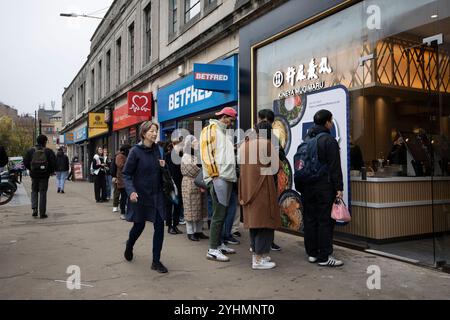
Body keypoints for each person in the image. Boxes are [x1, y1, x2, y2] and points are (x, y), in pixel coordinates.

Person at [295, 109, 344, 267]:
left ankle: (312, 253)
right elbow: (335, 167)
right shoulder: (329, 140)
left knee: (310, 219)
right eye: (331, 120)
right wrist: (339, 188)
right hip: (323, 187)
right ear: (328, 122)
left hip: (307, 186)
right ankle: (324, 256)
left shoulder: (307, 139)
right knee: (325, 221)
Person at [122, 121, 168, 273]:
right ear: (143, 133)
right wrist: (131, 191)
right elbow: (126, 174)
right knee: (139, 226)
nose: (155, 134)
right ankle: (130, 245)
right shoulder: (135, 151)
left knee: (160, 226)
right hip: (140, 195)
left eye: (156, 131)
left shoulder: (159, 150)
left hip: (157, 195)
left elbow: (163, 172)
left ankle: (156, 261)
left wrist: (163, 167)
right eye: (151, 131)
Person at [239, 121, 280, 269]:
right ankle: (258, 259)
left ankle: (258, 253)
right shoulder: (267, 144)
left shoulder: (244, 145)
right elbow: (276, 167)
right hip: (263, 189)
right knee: (265, 223)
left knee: (254, 223)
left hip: (248, 189)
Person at [200, 106, 238, 262]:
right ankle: (213, 249)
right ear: (224, 117)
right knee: (218, 214)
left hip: (225, 177)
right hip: (218, 177)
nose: (232, 123)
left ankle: (219, 244)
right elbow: (207, 152)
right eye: (231, 120)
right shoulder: (211, 129)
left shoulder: (222, 132)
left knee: (222, 214)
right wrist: (214, 174)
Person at [257, 109, 283, 251]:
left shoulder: (269, 138)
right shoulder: (269, 138)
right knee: (266, 211)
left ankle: (262, 243)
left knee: (263, 211)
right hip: (267, 178)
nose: (258, 122)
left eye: (260, 119)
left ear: (265, 120)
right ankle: (264, 243)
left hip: (263, 179)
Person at [181, 135, 208, 241]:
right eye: (195, 142)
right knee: (190, 209)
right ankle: (190, 232)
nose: (197, 144)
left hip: (199, 183)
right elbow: (191, 169)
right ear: (190, 144)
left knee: (200, 209)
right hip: (190, 183)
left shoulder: (197, 155)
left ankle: (199, 231)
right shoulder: (186, 156)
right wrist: (203, 171)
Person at [23, 135, 56, 219]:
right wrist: (50, 171)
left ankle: (34, 209)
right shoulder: (48, 151)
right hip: (44, 175)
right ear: (44, 142)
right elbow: (53, 163)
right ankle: (42, 213)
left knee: (34, 191)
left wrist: (31, 169)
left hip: (34, 175)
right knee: (43, 192)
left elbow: (25, 162)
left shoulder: (31, 151)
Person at [165, 138, 184, 235]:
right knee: (170, 205)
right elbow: (165, 170)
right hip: (171, 184)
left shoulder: (182, 155)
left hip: (180, 183)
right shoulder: (168, 155)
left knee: (178, 205)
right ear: (173, 144)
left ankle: (175, 225)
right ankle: (170, 226)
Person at [113, 145, 131, 220]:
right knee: (123, 197)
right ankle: (123, 213)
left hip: (127, 179)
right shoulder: (120, 156)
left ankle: (128, 212)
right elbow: (120, 165)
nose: (130, 150)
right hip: (122, 180)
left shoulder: (126, 156)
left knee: (128, 197)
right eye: (129, 149)